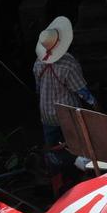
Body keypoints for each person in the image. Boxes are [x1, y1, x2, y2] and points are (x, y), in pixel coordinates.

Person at [32, 17, 97, 173]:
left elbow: (38, 88)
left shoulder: (38, 63)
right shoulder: (69, 64)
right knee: (78, 144)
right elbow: (82, 92)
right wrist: (96, 106)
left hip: (46, 112)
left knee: (52, 145)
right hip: (67, 113)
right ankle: (81, 169)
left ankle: (55, 168)